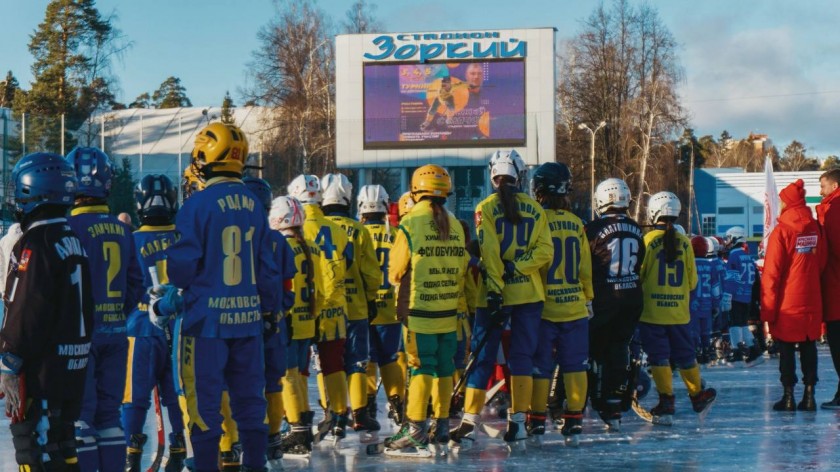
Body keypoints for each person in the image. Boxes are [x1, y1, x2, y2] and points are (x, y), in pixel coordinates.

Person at [164, 123, 281, 472]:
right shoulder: (254, 204)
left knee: (204, 408)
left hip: (206, 325)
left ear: (206, 156)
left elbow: (181, 271)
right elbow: (267, 270)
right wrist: (269, 311)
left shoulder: (197, 204)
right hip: (247, 322)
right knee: (250, 403)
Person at [451, 150, 552, 450]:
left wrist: (496, 287)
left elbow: (491, 254)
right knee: (522, 357)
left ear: (493, 175)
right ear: (520, 175)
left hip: (493, 295)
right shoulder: (535, 208)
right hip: (529, 294)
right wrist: (520, 268)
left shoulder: (485, 207)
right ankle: (518, 422)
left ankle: (469, 421)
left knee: (482, 358)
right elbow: (545, 251)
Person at [0, 152, 93, 470]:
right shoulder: (72, 239)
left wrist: (9, 359)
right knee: (63, 448)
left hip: (42, 373)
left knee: (34, 449)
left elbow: (27, 307)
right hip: (73, 367)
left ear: (32, 190)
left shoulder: (35, 244)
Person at [65, 146, 144, 471]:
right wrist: (116, 314)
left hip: (80, 336)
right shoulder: (122, 229)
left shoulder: (69, 227)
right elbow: (135, 284)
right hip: (116, 333)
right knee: (110, 416)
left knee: (81, 417)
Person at [383, 165, 468, 456]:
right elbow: (461, 266)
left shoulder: (410, 223)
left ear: (416, 189)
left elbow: (395, 271)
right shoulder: (455, 224)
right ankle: (441, 427)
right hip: (448, 311)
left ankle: (415, 430)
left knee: (421, 369)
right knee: (444, 369)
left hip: (420, 312)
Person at [122, 174, 186, 472]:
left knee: (134, 399)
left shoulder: (130, 240)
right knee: (177, 395)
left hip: (140, 327)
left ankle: (131, 453)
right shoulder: (185, 237)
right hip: (180, 327)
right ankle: (179, 445)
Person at [529, 162, 592, 446]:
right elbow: (585, 269)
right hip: (575, 306)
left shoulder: (536, 220)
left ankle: (538, 420)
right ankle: (575, 421)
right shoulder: (577, 223)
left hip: (544, 307)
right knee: (575, 366)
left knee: (541, 367)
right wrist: (587, 298)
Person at [639, 191, 716, 425]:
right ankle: (697, 395)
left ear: (654, 212)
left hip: (653, 312)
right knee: (686, 356)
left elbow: (640, 274)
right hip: (679, 313)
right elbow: (692, 281)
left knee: (659, 357)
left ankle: (666, 401)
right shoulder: (685, 241)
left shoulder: (648, 240)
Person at [287, 174, 353, 442]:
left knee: (298, 366)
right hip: (334, 306)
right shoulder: (338, 228)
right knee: (333, 364)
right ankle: (339, 416)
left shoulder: (295, 226)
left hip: (302, 307)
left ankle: (299, 418)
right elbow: (346, 266)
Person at [321, 173, 382, 436]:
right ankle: (359, 414)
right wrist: (372, 298)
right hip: (355, 306)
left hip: (326, 307)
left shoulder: (317, 227)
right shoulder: (359, 230)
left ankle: (332, 411)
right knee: (357, 362)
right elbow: (371, 271)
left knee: (328, 362)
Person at [582, 178, 645, 430]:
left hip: (604, 296)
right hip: (631, 296)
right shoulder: (636, 228)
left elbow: (585, 264)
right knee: (619, 349)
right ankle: (613, 404)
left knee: (594, 351)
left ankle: (590, 399)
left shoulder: (593, 229)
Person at [243, 176, 296, 467]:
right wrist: (279, 313)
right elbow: (289, 287)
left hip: (241, 322)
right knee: (272, 383)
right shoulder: (278, 240)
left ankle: (237, 440)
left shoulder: (236, 236)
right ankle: (274, 438)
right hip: (274, 323)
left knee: (240, 384)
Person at [761, 179, 827, 412]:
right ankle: (809, 396)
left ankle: (788, 396)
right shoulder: (815, 228)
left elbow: (772, 273)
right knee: (809, 346)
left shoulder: (782, 231)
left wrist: (767, 309)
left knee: (787, 348)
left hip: (787, 302)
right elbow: (821, 262)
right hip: (811, 298)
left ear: (787, 203)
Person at [268, 196, 318, 455]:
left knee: (287, 376)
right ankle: (304, 426)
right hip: (307, 320)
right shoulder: (307, 245)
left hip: (290, 320)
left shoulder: (282, 246)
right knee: (299, 375)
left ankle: (297, 431)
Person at [357, 185, 406, 427]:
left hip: (363, 306)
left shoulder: (355, 233)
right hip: (391, 307)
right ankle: (398, 405)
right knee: (390, 358)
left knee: (367, 360)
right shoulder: (396, 234)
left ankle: (366, 408)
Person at [817, 168, 840, 409]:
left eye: (823, 187)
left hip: (836, 288)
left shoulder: (834, 211)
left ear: (834, 186)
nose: (820, 192)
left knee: (837, 344)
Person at [723, 226, 761, 364]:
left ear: (734, 238)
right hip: (747, 295)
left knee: (734, 324)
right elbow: (756, 278)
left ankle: (737, 352)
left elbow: (731, 279)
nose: (727, 241)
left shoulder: (734, 255)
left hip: (737, 296)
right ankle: (754, 351)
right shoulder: (748, 256)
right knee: (743, 324)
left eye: (729, 238)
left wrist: (727, 296)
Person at [689, 236, 723, 366]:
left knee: (694, 331)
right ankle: (706, 351)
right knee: (705, 332)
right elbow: (715, 287)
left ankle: (696, 352)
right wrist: (716, 304)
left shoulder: (690, 264)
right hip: (707, 303)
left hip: (693, 304)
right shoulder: (710, 265)